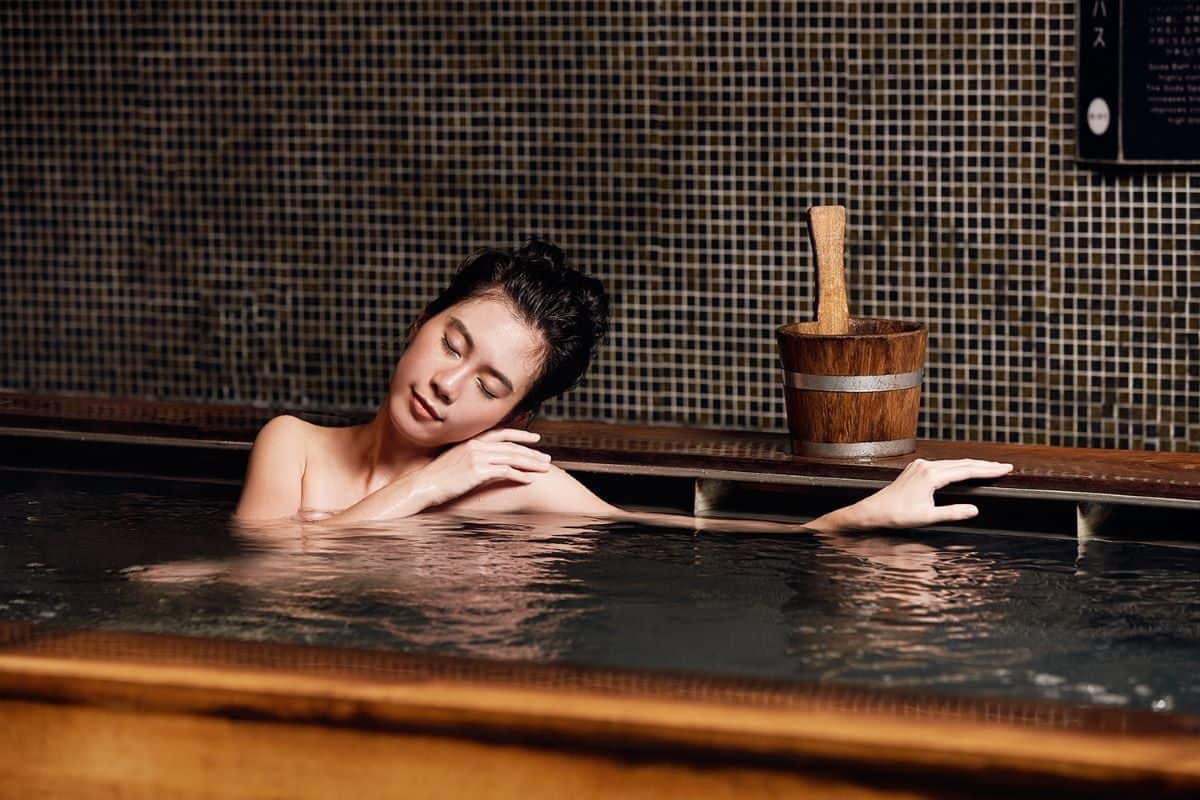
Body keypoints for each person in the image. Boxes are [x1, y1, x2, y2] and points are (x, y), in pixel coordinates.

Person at [235, 238, 1012, 533]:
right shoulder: (292, 447)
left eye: (489, 383)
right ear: (420, 322)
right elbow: (259, 575)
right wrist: (427, 487)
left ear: (517, 412)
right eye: (452, 343)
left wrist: (853, 517)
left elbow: (695, 538)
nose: (447, 384)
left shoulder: (510, 489)